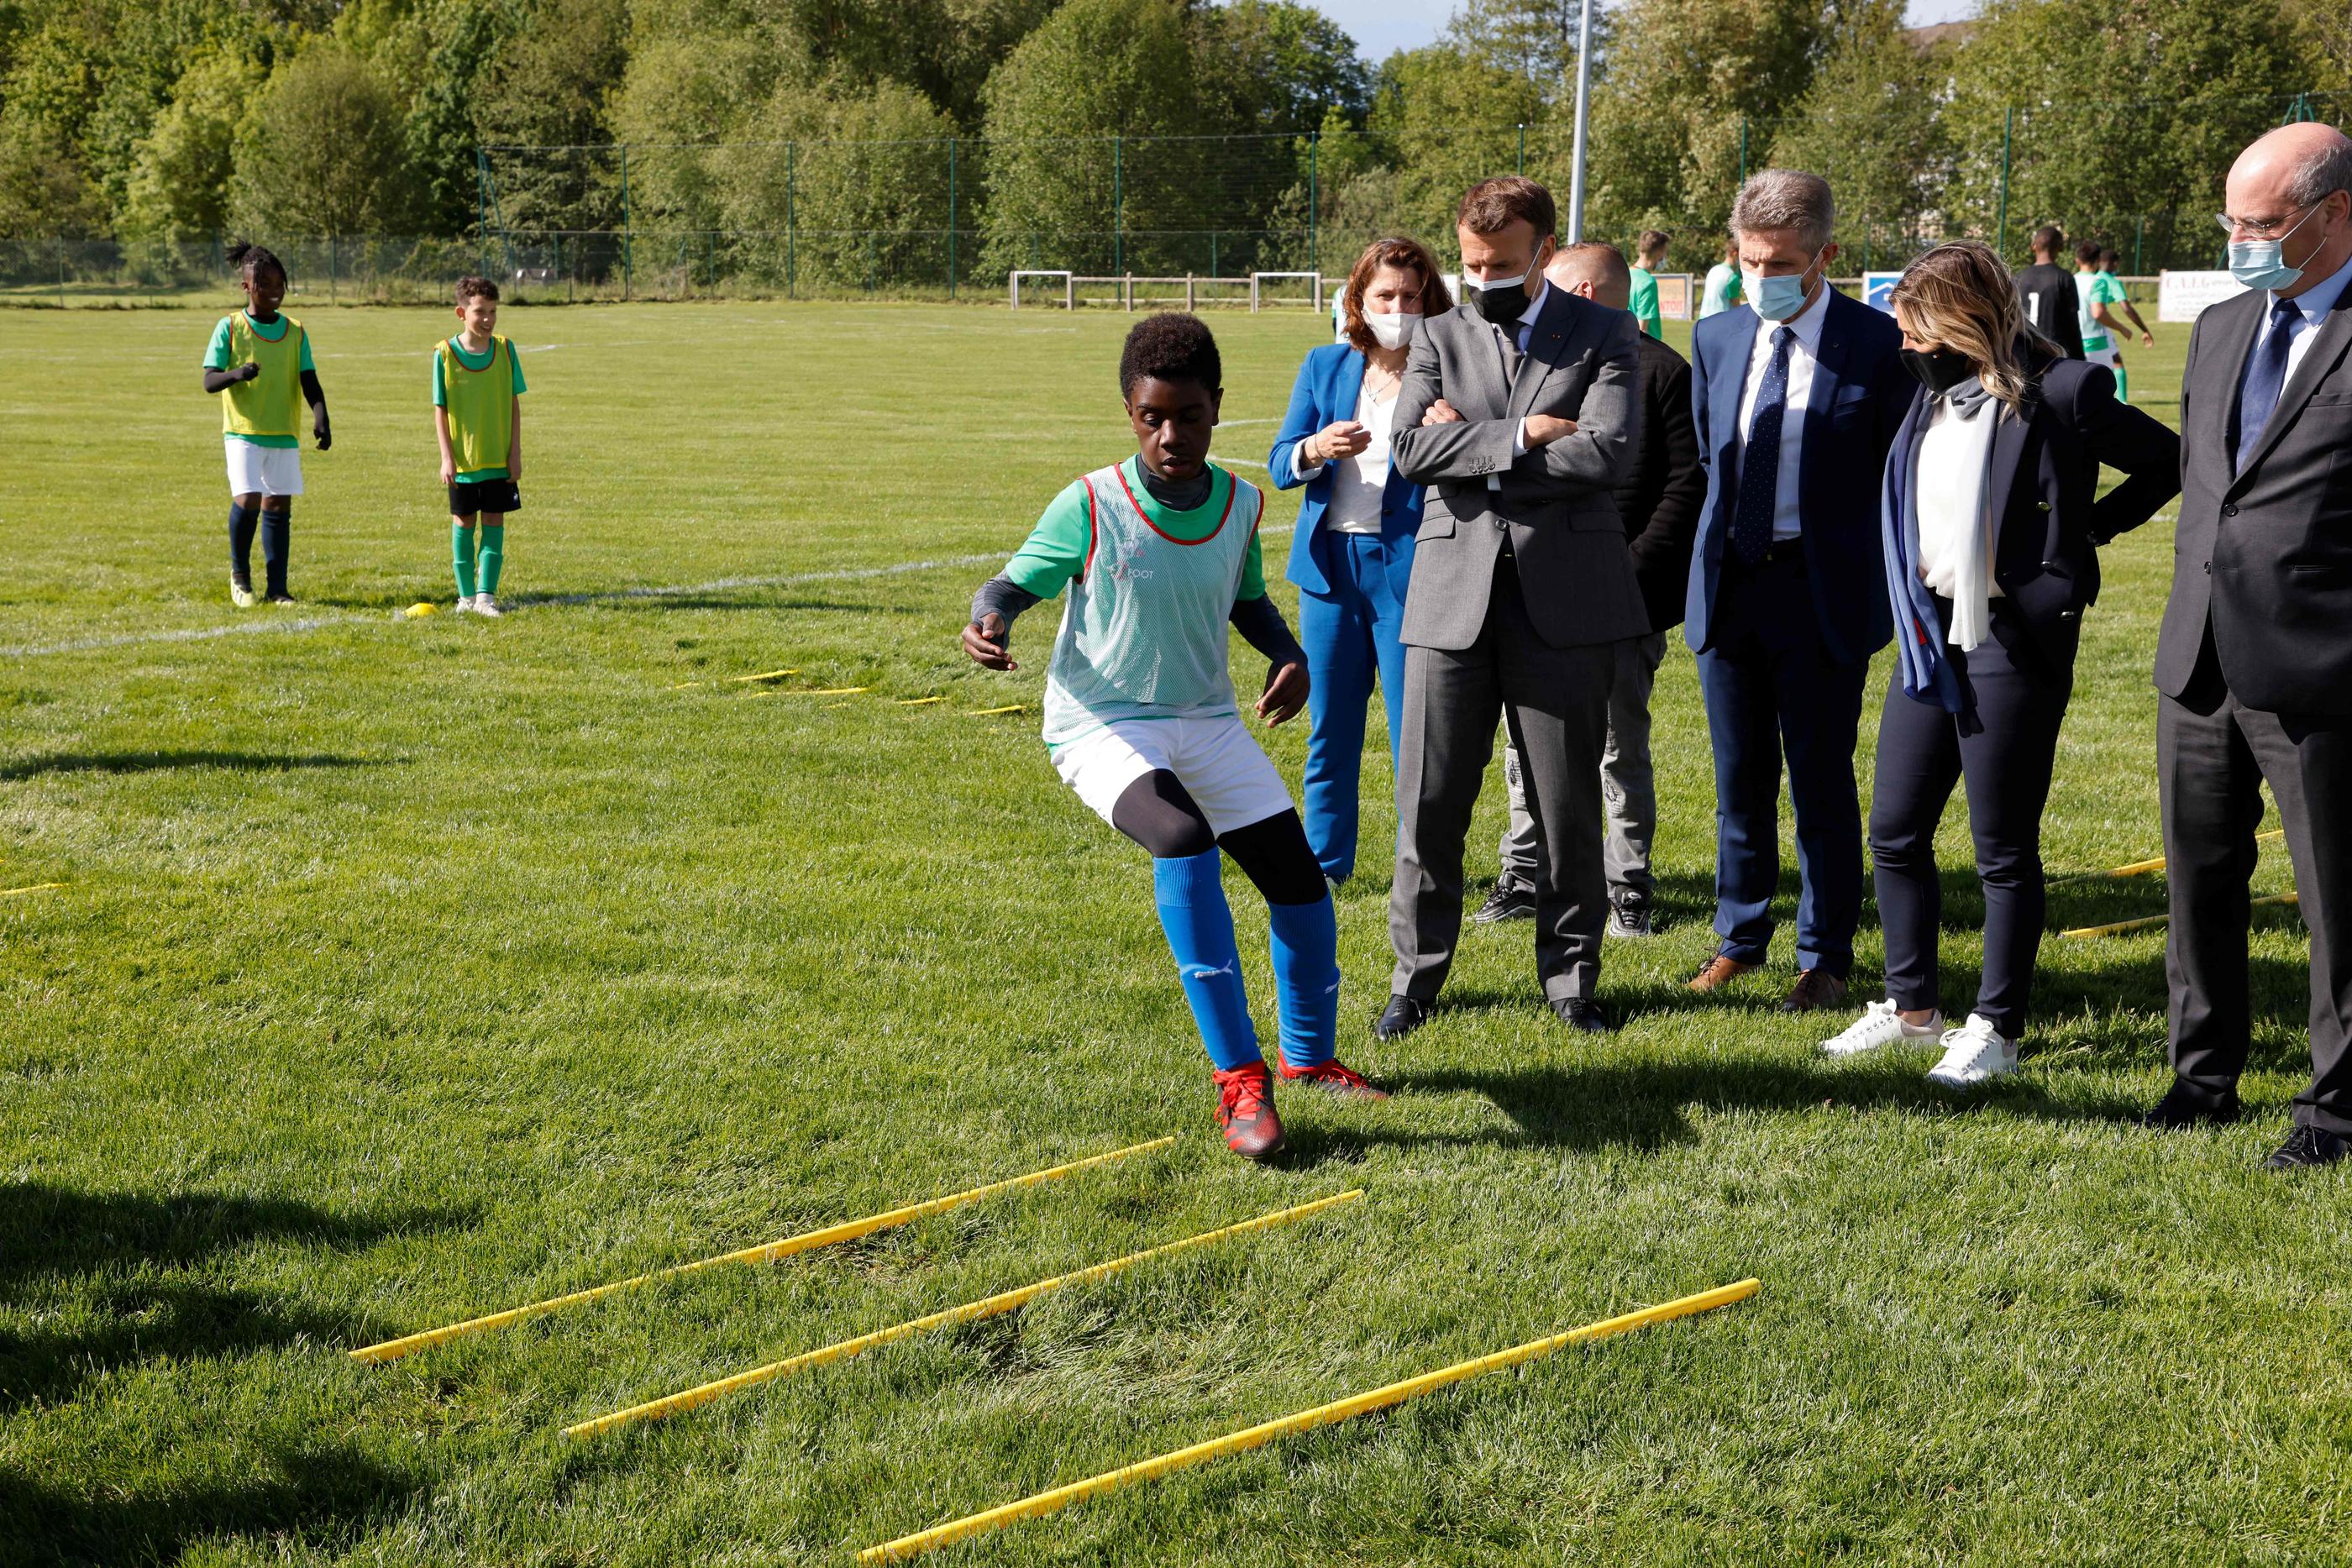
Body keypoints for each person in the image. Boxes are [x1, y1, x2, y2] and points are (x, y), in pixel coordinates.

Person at [961, 313, 1381, 1162]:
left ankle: (1309, 1057)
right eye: (1152, 416)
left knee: (1300, 885)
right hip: (1099, 724)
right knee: (1182, 837)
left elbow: (1245, 597)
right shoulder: (1089, 502)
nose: (1170, 435)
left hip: (1204, 720)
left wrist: (1287, 653)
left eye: (1188, 416)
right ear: (1129, 411)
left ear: (1216, 409)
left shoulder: (1239, 502)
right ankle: (1241, 1082)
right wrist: (987, 621)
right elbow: (1010, 585)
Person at [1820, 241, 2178, 1083]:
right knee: (1895, 830)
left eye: (1915, 330)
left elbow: (2169, 459)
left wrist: (2083, 535)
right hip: (1927, 634)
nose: (1904, 347)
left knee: (2001, 848)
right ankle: (1910, 1010)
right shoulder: (1930, 399)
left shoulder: (2064, 390)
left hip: (2011, 641)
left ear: (1960, 322)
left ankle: (1997, 1027)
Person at [1372, 176, 1646, 1041]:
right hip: (1449, 603)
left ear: (1541, 254)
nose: (1481, 274)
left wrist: (1474, 447)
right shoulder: (1438, 334)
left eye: (1499, 262)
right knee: (1429, 806)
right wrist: (1524, 435)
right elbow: (1411, 449)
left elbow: (1608, 456)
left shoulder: (1605, 330)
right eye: (1470, 260)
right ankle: (1414, 981)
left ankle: (1570, 979)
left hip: (1563, 604)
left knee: (1567, 813)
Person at [2145, 123, 2352, 1169]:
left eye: (2262, 224)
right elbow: (2206, 489)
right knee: (2197, 878)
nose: (2240, 240)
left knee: (2334, 900)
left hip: (2321, 668)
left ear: (2335, 213)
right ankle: (2201, 1075)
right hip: (2197, 659)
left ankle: (2335, 1109)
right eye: (2231, 220)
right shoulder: (2225, 326)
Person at [1683, 170, 1908, 1013]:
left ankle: (1825, 954)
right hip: (1731, 586)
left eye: (1780, 261)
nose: (1763, 275)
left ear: (1826, 257)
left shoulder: (1879, 343)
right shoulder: (1716, 338)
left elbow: (1898, 477)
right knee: (1739, 778)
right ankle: (1739, 938)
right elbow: (1710, 464)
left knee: (1820, 779)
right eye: (1748, 259)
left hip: (1821, 595)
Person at [1478, 242, 1704, 938]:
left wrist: (1621, 576)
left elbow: (1686, 486)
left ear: (1577, 289)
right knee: (1524, 742)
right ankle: (1522, 872)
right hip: (1536, 592)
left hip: (1624, 604)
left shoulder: (1663, 372)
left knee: (1617, 746)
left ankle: (1625, 884)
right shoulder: (1545, 365)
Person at [1268, 238, 1454, 884]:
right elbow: (1279, 462)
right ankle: (1325, 867)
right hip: (1330, 571)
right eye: (1385, 296)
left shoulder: (1449, 370)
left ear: (1429, 299)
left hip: (1411, 570)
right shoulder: (1326, 365)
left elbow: (1477, 465)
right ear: (1360, 300)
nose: (1398, 306)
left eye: (1410, 295)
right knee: (1330, 734)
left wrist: (1452, 431)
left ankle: (1419, 871)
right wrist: (1315, 446)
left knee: (1416, 742)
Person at [200, 242, 329, 607]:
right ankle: (240, 578)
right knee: (249, 499)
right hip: (243, 431)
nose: (274, 292)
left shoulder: (295, 331)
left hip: (283, 431)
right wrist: (238, 374)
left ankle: (278, 589)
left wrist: (321, 416)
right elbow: (210, 382)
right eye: (265, 285)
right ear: (247, 288)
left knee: (278, 507)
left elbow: (309, 379)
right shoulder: (230, 327)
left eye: (280, 285)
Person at [435, 276, 528, 616]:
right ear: (462, 312)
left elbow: (514, 404)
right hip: (462, 461)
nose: (487, 318)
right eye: (479, 312)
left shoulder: (505, 349)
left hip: (497, 458)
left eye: (492, 311)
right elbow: (440, 409)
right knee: (463, 522)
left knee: (494, 521)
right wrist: (447, 458)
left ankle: (486, 597)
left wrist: (514, 453)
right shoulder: (445, 354)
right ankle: (465, 597)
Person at [2075, 239, 2150, 401]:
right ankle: (2121, 403)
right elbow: (2098, 312)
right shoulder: (2098, 282)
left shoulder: (2069, 280)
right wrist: (2122, 328)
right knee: (2102, 392)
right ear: (2096, 261)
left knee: (2077, 390)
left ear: (2077, 261)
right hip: (2096, 341)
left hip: (2075, 341)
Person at [2014, 224, 2085, 360]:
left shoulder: (2019, 278)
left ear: (2033, 246)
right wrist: (2079, 358)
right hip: (2055, 355)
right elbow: (2072, 324)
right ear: (2060, 247)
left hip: (2026, 353)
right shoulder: (2064, 278)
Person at [1627, 229, 1670, 338]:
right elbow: (1642, 329)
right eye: (1665, 253)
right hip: (1646, 349)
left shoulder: (1626, 274)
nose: (1665, 258)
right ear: (1659, 253)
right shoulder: (1648, 282)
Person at [1698, 238, 1743, 319]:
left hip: (1703, 319)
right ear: (1735, 254)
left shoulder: (1714, 270)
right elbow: (1736, 305)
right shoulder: (1732, 277)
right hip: (1720, 320)